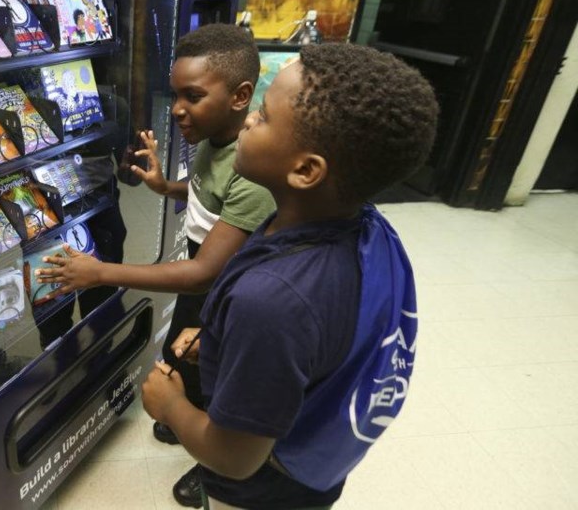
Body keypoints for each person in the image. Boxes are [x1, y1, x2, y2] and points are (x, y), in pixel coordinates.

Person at [141, 43, 439, 509]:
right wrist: (221, 337)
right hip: (313, 460)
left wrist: (172, 407)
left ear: (304, 170)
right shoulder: (369, 230)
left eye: (262, 115)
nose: (249, 123)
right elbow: (321, 337)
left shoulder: (272, 302)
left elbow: (235, 458)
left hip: (264, 486)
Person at [37, 23, 275, 507]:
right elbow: (210, 194)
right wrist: (167, 187)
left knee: (217, 379)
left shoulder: (251, 171)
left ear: (240, 96)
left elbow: (204, 272)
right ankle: (185, 415)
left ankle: (213, 470)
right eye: (175, 95)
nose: (178, 110)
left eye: (192, 96)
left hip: (229, 294)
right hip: (205, 283)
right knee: (182, 354)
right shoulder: (214, 139)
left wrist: (100, 272)